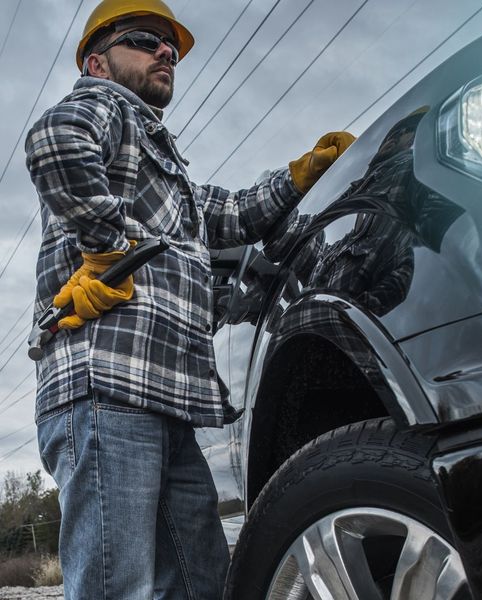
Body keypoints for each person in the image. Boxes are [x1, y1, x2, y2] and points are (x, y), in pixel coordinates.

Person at [24, 1, 355, 598]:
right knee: (115, 585)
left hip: (165, 398)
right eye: (146, 40)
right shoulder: (105, 106)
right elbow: (53, 140)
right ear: (98, 63)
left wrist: (301, 173)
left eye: (170, 47)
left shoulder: (161, 161)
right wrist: (104, 248)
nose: (165, 52)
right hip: (104, 386)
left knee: (204, 578)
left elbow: (226, 215)